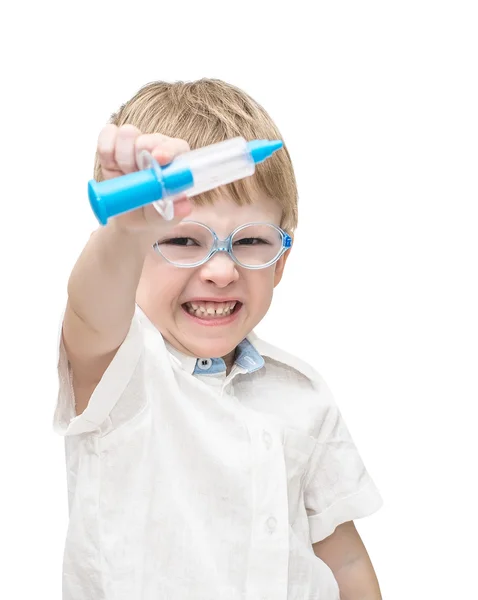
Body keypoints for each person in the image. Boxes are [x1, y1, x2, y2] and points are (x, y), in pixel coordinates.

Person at [54, 78, 383, 599]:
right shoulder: (121, 371)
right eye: (183, 240)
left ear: (282, 261)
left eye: (252, 241)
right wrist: (124, 234)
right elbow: (91, 312)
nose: (222, 270)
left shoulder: (303, 394)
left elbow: (341, 556)